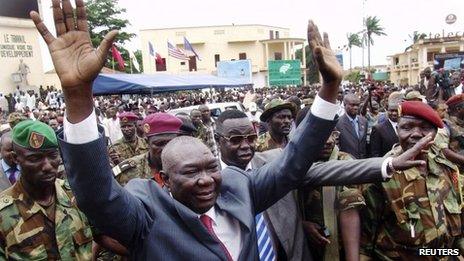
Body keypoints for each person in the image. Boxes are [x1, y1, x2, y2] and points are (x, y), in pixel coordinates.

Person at [32, 5, 426, 259]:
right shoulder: (146, 214)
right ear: (165, 181)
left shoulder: (238, 187)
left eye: (209, 168)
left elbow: (293, 165)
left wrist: (329, 91)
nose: (207, 180)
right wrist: (78, 95)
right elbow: (96, 196)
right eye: (191, 173)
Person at [360, 101, 463, 260]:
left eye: (425, 128)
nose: (416, 134)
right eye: (407, 127)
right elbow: (364, 244)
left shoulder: (447, 169)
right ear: (397, 131)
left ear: (435, 133)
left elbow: (458, 230)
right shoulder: (382, 175)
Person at [0, 120, 93, 259]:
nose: (47, 166)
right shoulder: (3, 215)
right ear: (15, 158)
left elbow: (104, 241)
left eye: (52, 155)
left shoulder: (76, 195)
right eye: (35, 158)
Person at [112, 113, 191, 186]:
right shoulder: (129, 169)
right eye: (159, 144)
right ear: (147, 142)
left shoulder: (187, 165)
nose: (165, 149)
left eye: (170, 143)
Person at [336, 94, 368, 159]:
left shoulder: (364, 121)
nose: (356, 108)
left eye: (357, 105)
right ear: (345, 105)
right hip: (347, 164)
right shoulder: (338, 123)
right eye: (352, 105)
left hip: (362, 162)